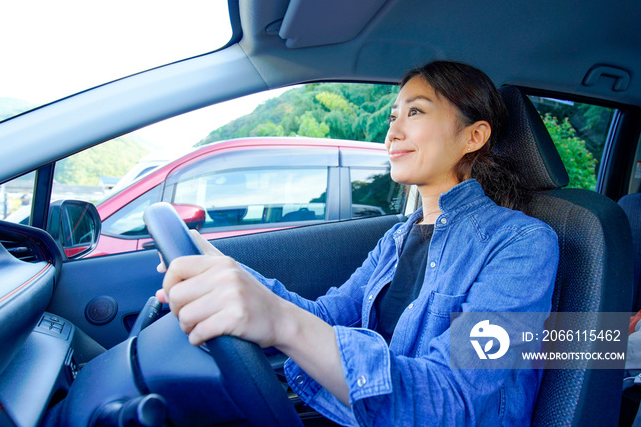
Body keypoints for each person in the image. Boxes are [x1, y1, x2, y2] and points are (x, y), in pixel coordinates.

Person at [155, 60, 559, 426]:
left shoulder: (522, 244)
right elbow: (327, 315)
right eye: (392, 116)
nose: (393, 132)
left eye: (415, 112)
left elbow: (456, 401)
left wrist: (281, 322)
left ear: (474, 136)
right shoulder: (397, 238)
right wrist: (225, 267)